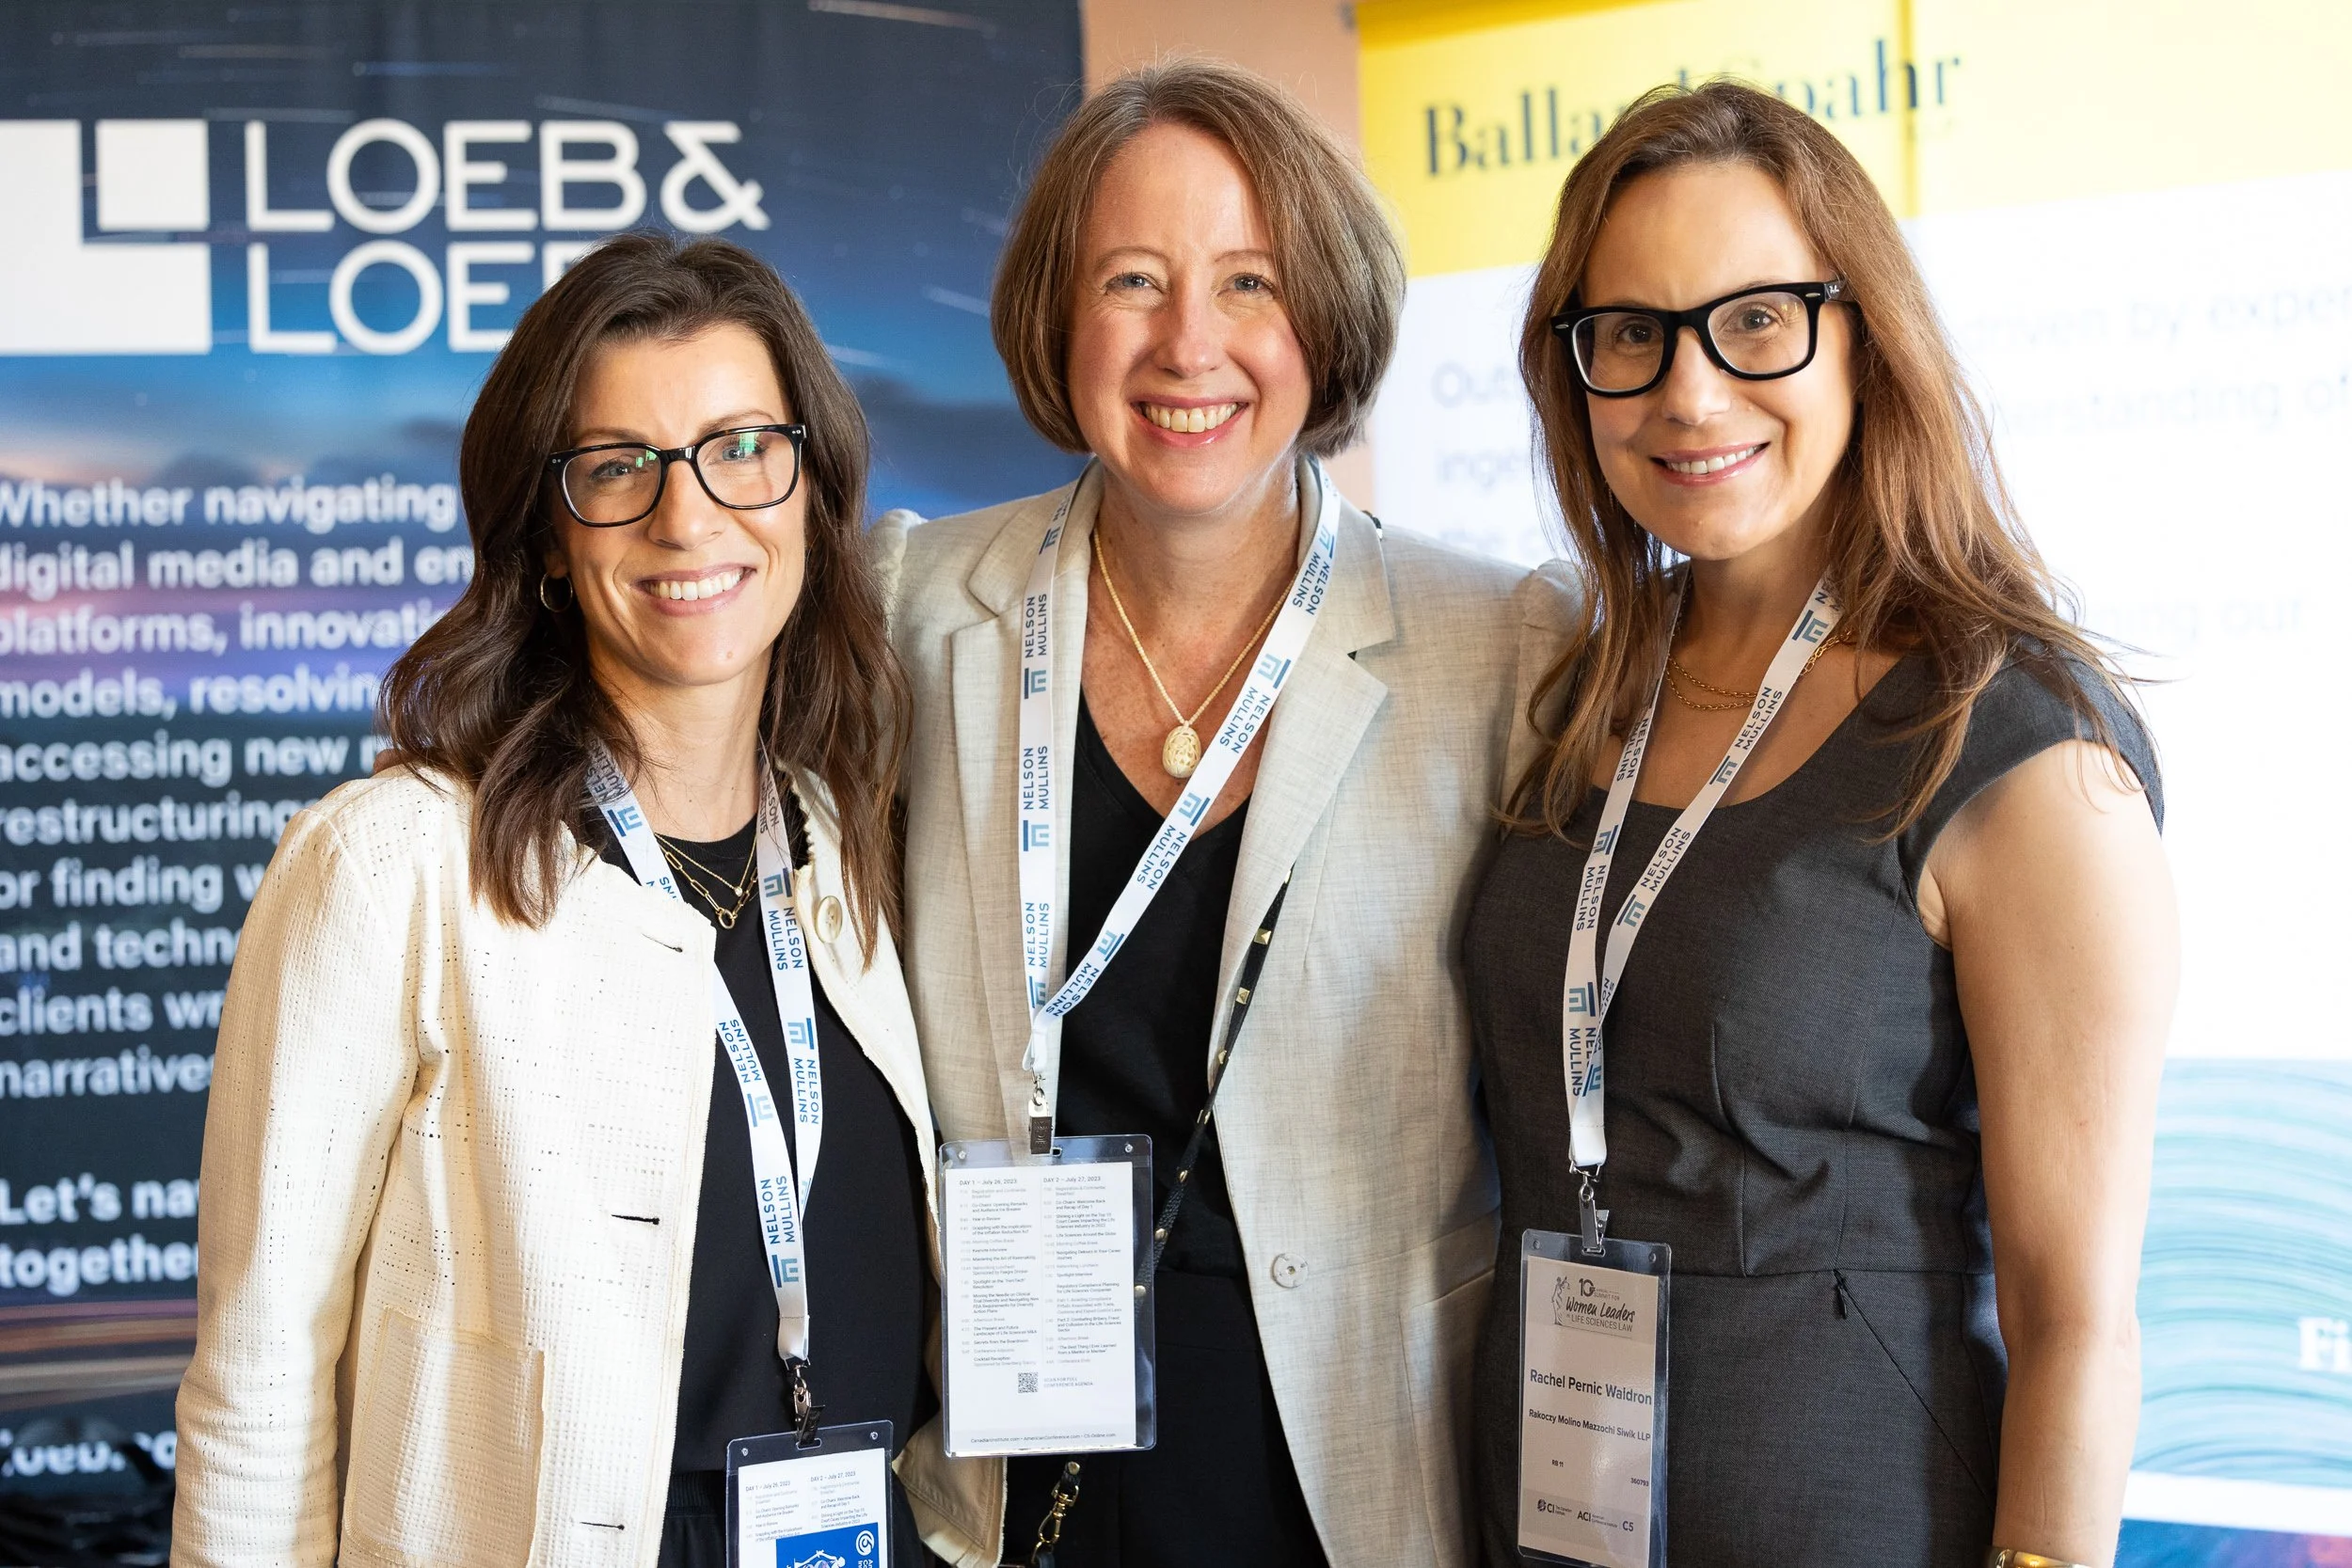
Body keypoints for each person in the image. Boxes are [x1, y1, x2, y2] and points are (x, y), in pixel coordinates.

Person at [1465, 82, 2177, 1568]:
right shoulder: (1573, 692)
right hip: (1546, 1504)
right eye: (1633, 334)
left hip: (1850, 1514)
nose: (1692, 393)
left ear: (1865, 334)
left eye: (1759, 319)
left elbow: (2078, 1321)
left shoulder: (2018, 749)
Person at [173, 234, 938, 1568]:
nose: (688, 516)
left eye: (741, 445)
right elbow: (261, 1374)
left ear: (813, 492)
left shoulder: (849, 842)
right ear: (542, 541)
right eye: (617, 466)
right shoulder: (394, 867)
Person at [877, 59, 1549, 1568]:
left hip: (1354, 1454)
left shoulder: (1504, 646)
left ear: (1330, 316)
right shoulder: (912, 607)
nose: (1191, 344)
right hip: (1020, 1454)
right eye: (1133, 279)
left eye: (1251, 281)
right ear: (1061, 314)